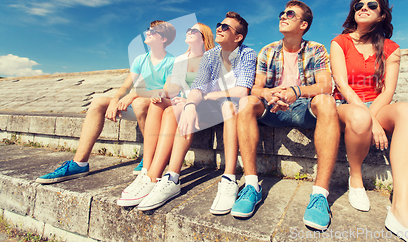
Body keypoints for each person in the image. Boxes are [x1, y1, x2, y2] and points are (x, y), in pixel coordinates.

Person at [118, 12, 257, 215]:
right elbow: (197, 88)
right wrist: (190, 105)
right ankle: (167, 177)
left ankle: (229, 178)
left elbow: (241, 91)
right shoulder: (210, 56)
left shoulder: (247, 54)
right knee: (175, 110)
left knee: (228, 105)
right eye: (220, 24)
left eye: (226, 27)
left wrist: (204, 97)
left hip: (229, 106)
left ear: (238, 37)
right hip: (209, 106)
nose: (219, 28)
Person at [330, 0, 408, 242]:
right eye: (359, 5)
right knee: (360, 117)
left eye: (372, 5)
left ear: (382, 15)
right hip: (345, 104)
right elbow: (342, 85)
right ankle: (356, 178)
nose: (363, 8)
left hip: (377, 104)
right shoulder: (340, 42)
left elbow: (388, 91)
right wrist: (366, 116)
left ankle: (400, 211)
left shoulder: (392, 48)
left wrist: (374, 117)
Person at [233, 0, 340, 231]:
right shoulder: (268, 50)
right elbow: (256, 88)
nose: (283, 16)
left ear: (303, 24)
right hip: (273, 107)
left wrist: (296, 92)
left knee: (327, 101)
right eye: (282, 12)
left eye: (290, 13)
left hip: (304, 106)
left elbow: (325, 85)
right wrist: (269, 94)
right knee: (247, 101)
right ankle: (252, 186)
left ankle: (320, 195)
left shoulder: (317, 49)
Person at [35, 20, 176, 184]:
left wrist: (134, 95)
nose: (148, 33)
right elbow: (125, 87)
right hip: (139, 104)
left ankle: (150, 157)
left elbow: (166, 91)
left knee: (139, 103)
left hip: (158, 105)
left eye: (153, 31)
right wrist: (115, 100)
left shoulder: (172, 61)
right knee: (98, 102)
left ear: (163, 39)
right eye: (148, 29)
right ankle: (79, 163)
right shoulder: (141, 60)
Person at [116, 22, 214, 206]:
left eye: (194, 30)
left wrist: (188, 101)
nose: (189, 32)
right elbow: (175, 88)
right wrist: (163, 93)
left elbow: (210, 88)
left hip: (202, 102)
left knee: (172, 111)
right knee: (157, 103)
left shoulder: (211, 58)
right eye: (188, 29)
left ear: (204, 37)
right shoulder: (180, 59)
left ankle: (161, 177)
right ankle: (147, 171)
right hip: (180, 99)